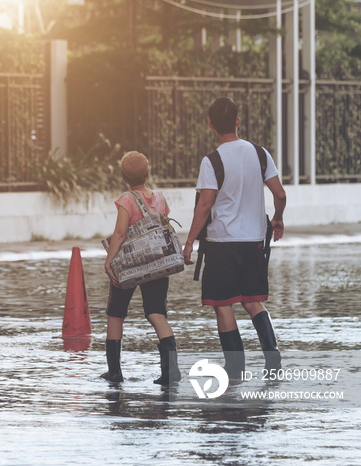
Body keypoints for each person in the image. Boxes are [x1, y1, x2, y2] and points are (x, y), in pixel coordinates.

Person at [183, 97, 287, 378]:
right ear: (238, 122)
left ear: (210, 125)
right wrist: (277, 219)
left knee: (223, 304)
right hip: (254, 240)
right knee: (253, 301)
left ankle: (236, 367)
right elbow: (280, 194)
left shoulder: (212, 161)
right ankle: (273, 359)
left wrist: (190, 241)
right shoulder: (260, 153)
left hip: (221, 244)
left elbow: (205, 205)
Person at [101, 151, 181, 385]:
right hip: (158, 264)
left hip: (130, 265)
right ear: (148, 173)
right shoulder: (159, 198)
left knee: (116, 314)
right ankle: (171, 371)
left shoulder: (127, 199)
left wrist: (109, 261)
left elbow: (120, 233)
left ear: (124, 176)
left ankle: (114, 372)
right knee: (156, 313)